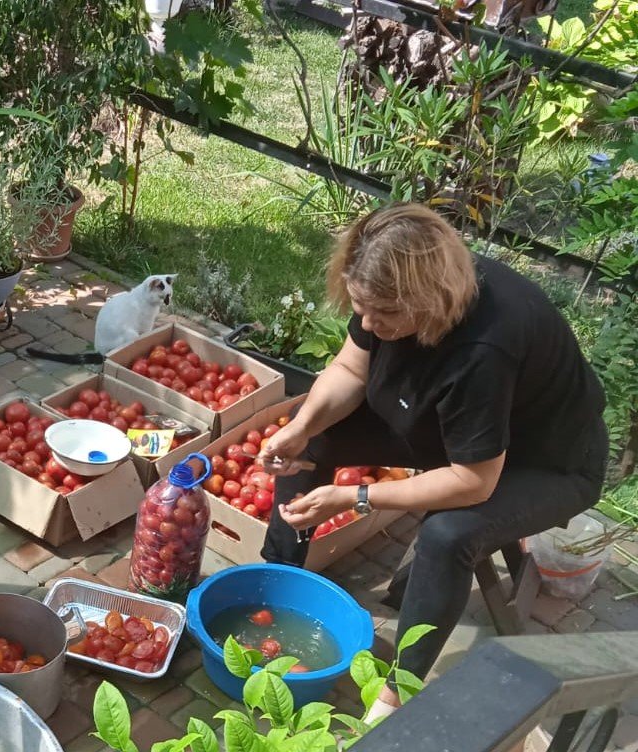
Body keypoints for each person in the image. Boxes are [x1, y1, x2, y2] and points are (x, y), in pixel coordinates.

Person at [258, 203, 607, 720]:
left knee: (448, 536)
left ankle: (395, 694)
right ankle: (275, 582)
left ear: (430, 299)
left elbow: (473, 481)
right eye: (360, 307)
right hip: (458, 433)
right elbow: (350, 368)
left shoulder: (483, 349)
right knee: (315, 440)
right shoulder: (393, 299)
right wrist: (300, 427)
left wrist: (356, 497)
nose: (370, 324)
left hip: (545, 462)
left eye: (386, 314)